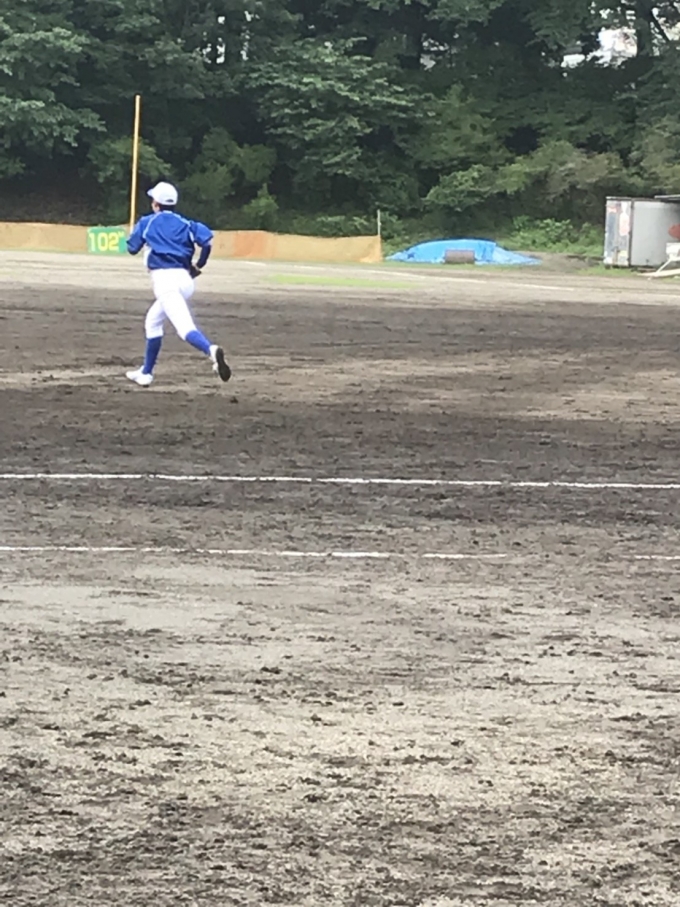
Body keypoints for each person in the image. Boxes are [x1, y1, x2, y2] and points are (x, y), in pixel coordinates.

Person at [125, 181, 231, 387]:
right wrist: (199, 265)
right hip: (185, 280)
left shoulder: (147, 222)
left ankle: (211, 351)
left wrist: (133, 237)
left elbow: (132, 248)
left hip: (166, 282)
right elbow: (207, 242)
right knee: (152, 321)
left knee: (185, 328)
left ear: (156, 204)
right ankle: (146, 373)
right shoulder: (187, 224)